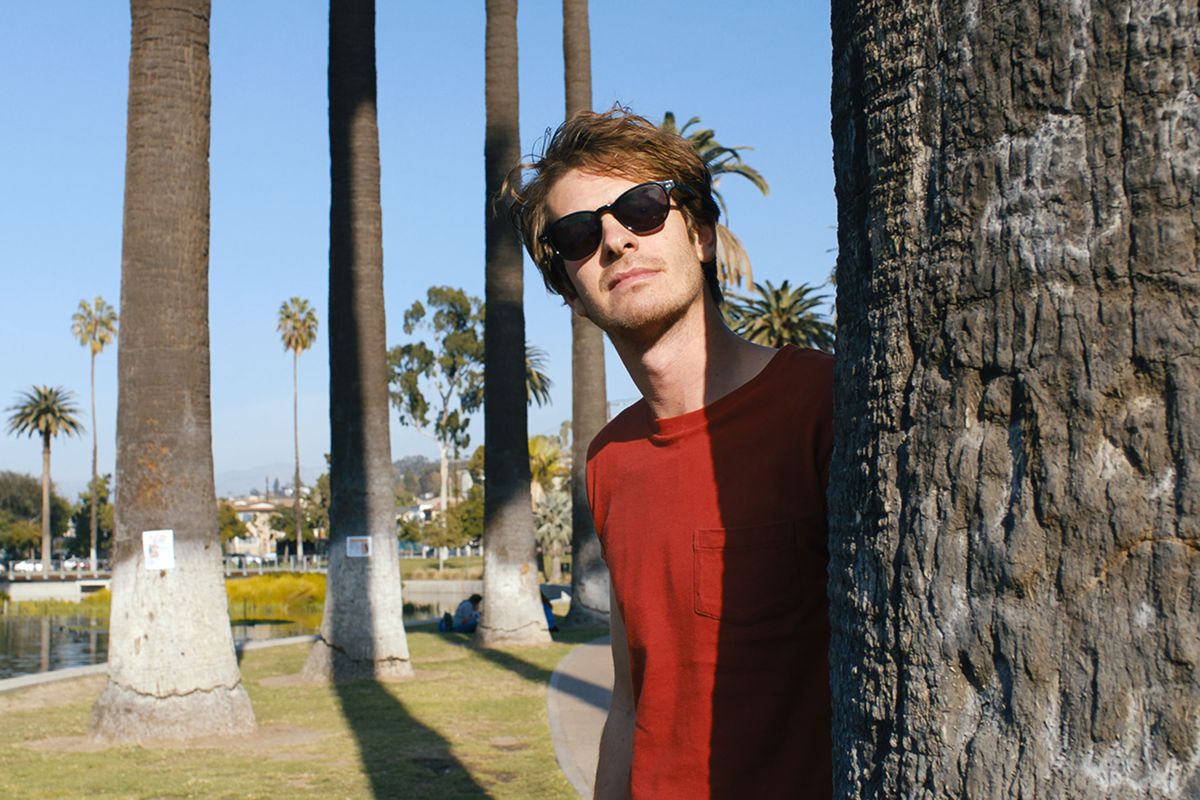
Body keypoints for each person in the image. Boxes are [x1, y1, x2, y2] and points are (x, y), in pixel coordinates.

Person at [509, 108, 834, 798]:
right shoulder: (609, 461)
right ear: (572, 292)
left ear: (704, 236)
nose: (617, 241)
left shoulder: (822, 403)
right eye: (577, 234)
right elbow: (631, 700)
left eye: (643, 208)